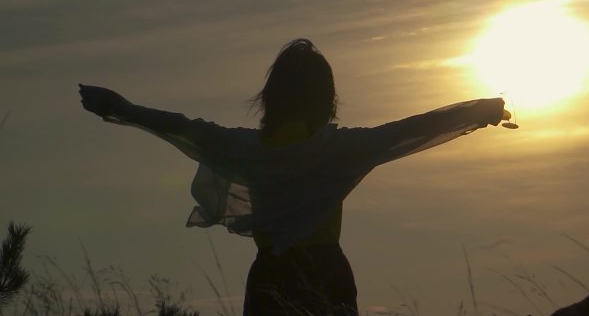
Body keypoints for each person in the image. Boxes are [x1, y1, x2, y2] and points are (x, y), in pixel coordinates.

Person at [79, 38, 508, 316]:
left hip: (271, 277)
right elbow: (411, 129)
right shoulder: (337, 149)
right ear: (327, 99)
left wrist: (120, 107)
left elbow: (180, 125)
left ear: (271, 98)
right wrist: (478, 112)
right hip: (327, 274)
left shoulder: (246, 147)